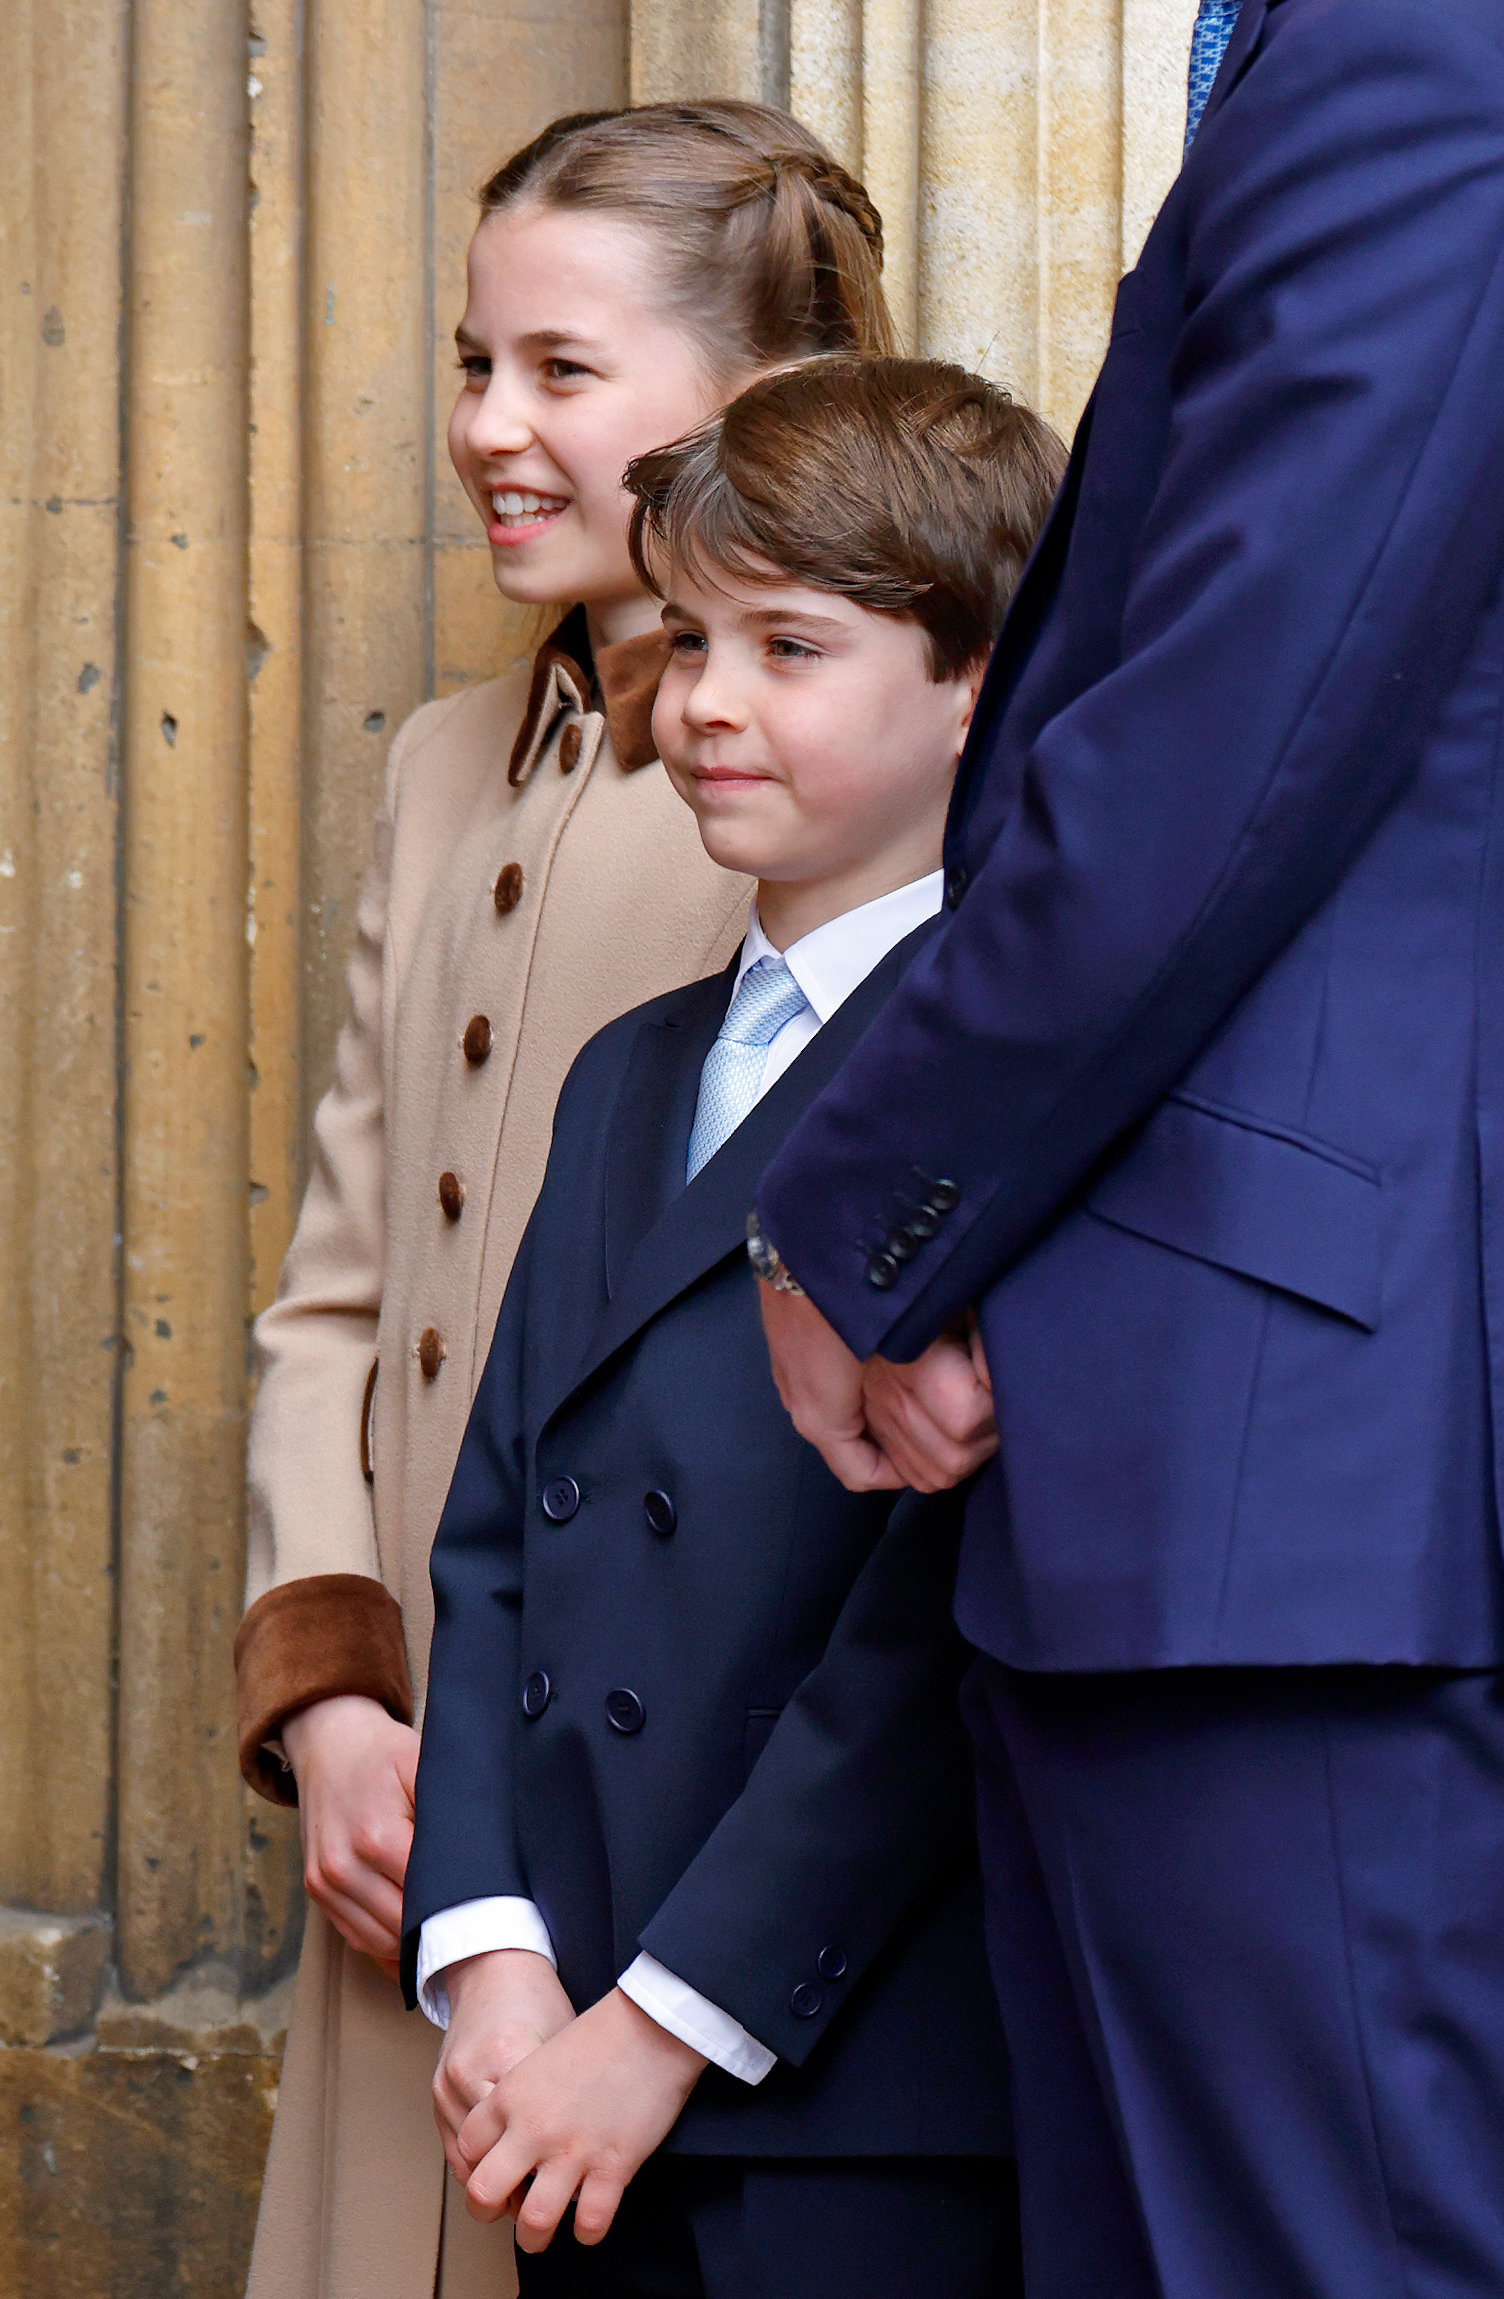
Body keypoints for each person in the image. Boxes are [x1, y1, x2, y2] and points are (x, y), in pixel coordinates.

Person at [747, 2, 1504, 2294]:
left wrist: (857, 1215)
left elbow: (1229, 731)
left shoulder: (1448, 49)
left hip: (1302, 1470)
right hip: (1261, 1460)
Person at [233, 102, 898, 2299]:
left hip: (675, 1815)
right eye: (466, 361)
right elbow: (339, 1289)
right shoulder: (444, 763)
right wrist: (332, 1698)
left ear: (756, 408)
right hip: (426, 1806)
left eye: (557, 371)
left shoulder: (815, 783)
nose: (483, 427)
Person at [403, 357, 1066, 2298]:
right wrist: (493, 1952)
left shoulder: (1004, 1073)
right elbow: (497, 1528)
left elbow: (935, 1613)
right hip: (556, 2054)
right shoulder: (626, 1071)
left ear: (974, 685)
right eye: (686, 635)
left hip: (851, 2075)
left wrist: (666, 2019)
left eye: (789, 645)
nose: (701, 702)